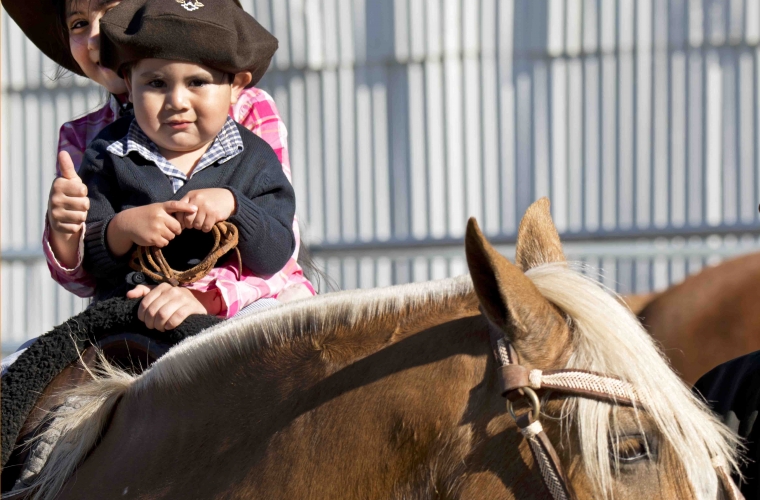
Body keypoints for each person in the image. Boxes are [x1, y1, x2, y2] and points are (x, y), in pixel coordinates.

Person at [1, 0, 314, 317]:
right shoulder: (89, 140)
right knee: (23, 366)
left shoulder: (249, 113)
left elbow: (280, 254)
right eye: (79, 23)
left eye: (111, 14)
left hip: (244, 303)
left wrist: (200, 297)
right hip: (136, 306)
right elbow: (83, 278)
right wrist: (68, 231)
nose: (97, 36)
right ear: (130, 80)